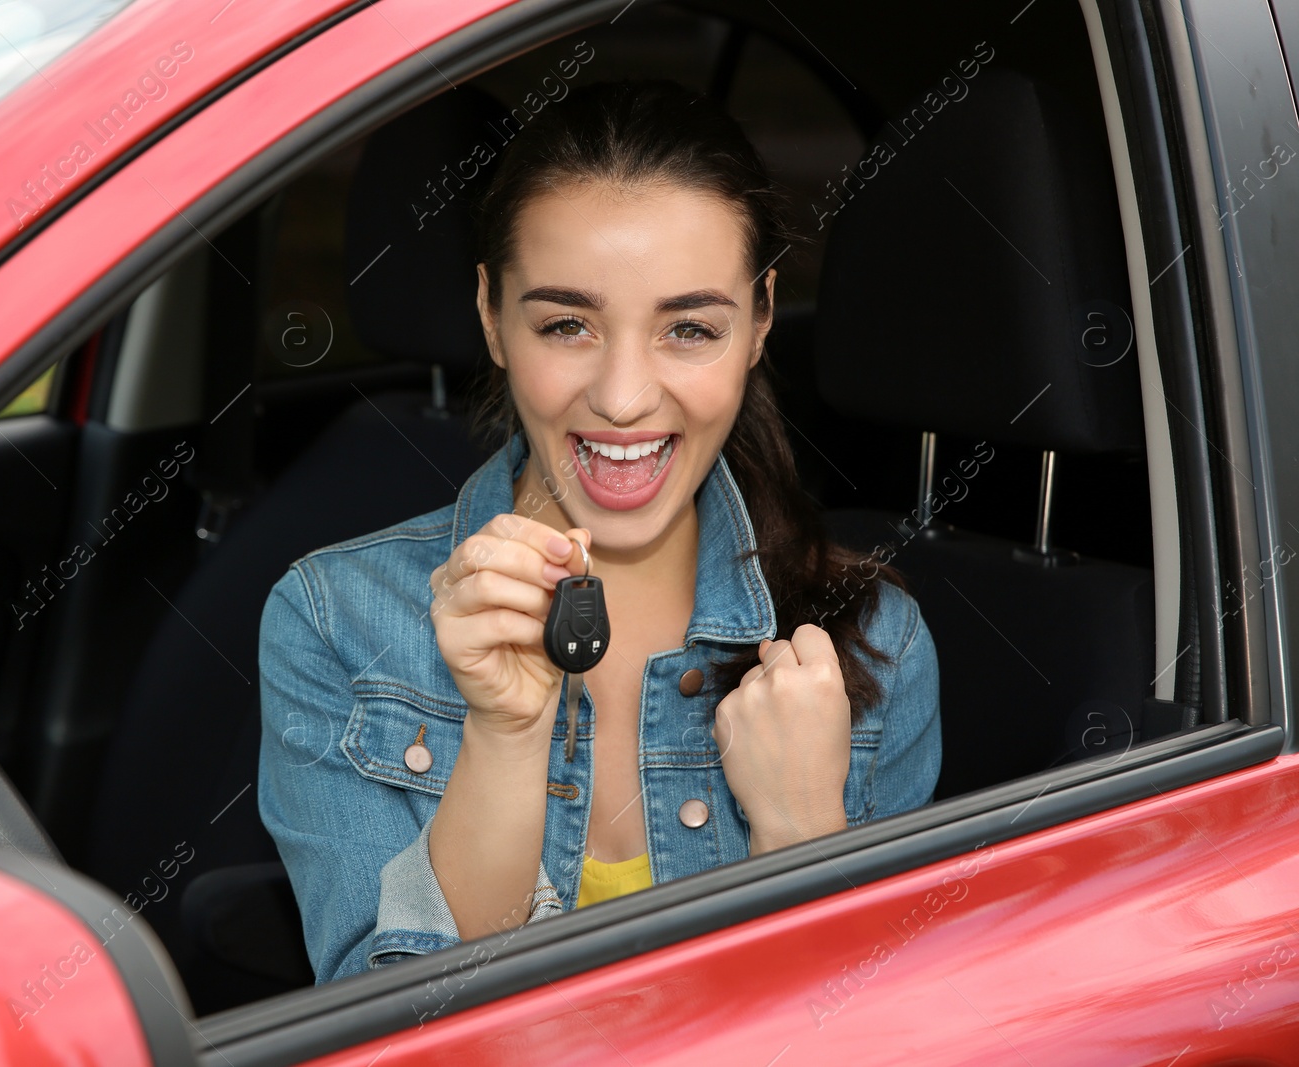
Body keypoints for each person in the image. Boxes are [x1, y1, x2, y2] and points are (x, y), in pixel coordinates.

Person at [258, 77, 941, 986]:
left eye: (689, 328)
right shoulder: (332, 622)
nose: (623, 397)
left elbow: (879, 1029)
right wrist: (504, 732)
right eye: (568, 323)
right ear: (492, 316)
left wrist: (800, 834)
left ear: (761, 322)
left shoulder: (873, 643)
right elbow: (406, 1031)